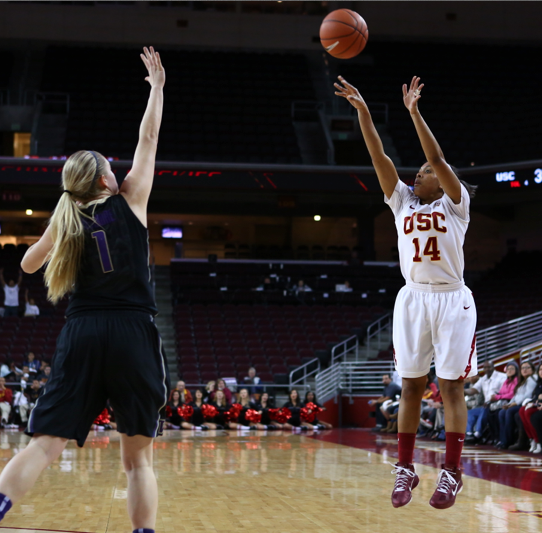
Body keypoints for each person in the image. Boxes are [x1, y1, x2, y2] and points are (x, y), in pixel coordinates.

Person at [0, 47, 168, 533]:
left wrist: (53, 234)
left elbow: (30, 264)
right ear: (102, 179)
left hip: (84, 330)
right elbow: (149, 136)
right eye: (110, 169)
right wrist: (156, 89)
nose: (119, 172)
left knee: (43, 444)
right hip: (133, 330)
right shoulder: (130, 200)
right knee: (138, 461)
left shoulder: (68, 217)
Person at [336, 74, 478, 509]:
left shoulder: (456, 204)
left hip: (452, 300)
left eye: (425, 172)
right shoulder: (401, 202)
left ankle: (451, 472)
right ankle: (405, 469)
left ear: (442, 178)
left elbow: (435, 155)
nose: (418, 174)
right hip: (413, 298)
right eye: (416, 171)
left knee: (450, 388)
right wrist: (363, 113)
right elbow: (378, 155)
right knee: (411, 387)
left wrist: (414, 112)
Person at [464, 361, 506, 444]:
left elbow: (504, 392)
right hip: (486, 405)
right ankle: (469, 433)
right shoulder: (483, 379)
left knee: (484, 408)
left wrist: (493, 400)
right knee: (470, 413)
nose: (487, 369)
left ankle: (477, 434)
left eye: (489, 367)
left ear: (493, 367)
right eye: (485, 367)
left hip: (498, 404)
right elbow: (474, 390)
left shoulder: (502, 376)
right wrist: (462, 391)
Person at [497, 361, 536, 449]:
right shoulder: (522, 381)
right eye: (523, 368)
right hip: (518, 403)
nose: (524, 370)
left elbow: (528, 395)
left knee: (509, 412)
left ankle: (508, 441)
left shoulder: (532, 379)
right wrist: (509, 403)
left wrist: (514, 404)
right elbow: (516, 395)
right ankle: (503, 440)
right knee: (501, 412)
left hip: (524, 404)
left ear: (532, 370)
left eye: (527, 368)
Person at [487, 362, 519, 445]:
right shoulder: (507, 381)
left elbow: (512, 394)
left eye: (512, 369)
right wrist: (496, 396)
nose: (509, 371)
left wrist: (497, 397)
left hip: (512, 402)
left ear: (516, 370)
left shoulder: (517, 380)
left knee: (500, 413)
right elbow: (501, 392)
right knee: (489, 411)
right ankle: (497, 438)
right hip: (504, 401)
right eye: (508, 369)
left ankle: (506, 440)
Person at [514, 363, 542, 452]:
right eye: (540, 369)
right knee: (522, 410)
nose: (541, 371)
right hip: (538, 405)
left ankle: (538, 442)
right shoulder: (539, 382)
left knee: (529, 412)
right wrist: (534, 401)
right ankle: (532, 439)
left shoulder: (531, 379)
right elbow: (536, 396)